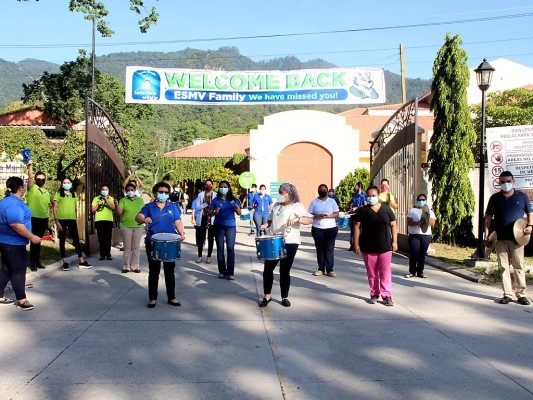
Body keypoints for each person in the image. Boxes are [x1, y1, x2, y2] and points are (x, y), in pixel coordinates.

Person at [258, 183, 313, 307]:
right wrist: (266, 225)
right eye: (279, 192)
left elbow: (309, 219)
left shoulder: (296, 206)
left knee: (284, 271)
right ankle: (267, 296)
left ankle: (284, 297)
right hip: (275, 240)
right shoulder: (277, 205)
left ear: (289, 193)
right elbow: (270, 220)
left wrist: (297, 219)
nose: (279, 194)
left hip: (290, 241)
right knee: (268, 269)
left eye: (282, 192)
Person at [484, 171, 533, 305]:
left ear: (513, 182)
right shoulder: (495, 198)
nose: (505, 184)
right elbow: (488, 218)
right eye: (502, 182)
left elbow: (530, 213)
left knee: (518, 265)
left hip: (518, 238)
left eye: (508, 181)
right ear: (499, 183)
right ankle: (507, 293)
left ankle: (521, 294)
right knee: (503, 266)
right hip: (500, 238)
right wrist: (486, 235)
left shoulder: (522, 196)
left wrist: (530, 226)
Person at [136, 182, 186, 308]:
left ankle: (172, 297)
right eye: (161, 192)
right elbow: (138, 217)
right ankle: (153, 298)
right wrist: (144, 219)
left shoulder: (173, 207)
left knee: (170, 271)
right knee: (154, 271)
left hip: (170, 242)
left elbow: (177, 221)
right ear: (155, 193)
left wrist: (182, 233)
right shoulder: (149, 207)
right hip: (153, 242)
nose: (163, 194)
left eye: (165, 192)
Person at [0, 177, 41, 310]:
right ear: (20, 188)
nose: (24, 189)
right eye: (23, 187)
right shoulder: (13, 204)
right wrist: (32, 237)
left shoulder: (6, 201)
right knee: (18, 270)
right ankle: (22, 301)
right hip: (13, 244)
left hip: (6, 242)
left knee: (7, 269)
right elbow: (16, 224)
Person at [354, 186, 398, 306]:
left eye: (373, 196)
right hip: (368, 247)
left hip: (385, 247)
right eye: (369, 196)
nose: (371, 198)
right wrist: (356, 243)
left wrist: (395, 242)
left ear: (378, 196)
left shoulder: (386, 209)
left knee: (385, 272)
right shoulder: (363, 211)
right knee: (372, 273)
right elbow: (357, 227)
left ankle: (387, 295)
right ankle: (374, 294)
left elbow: (393, 225)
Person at [53, 178, 91, 271]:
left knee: (76, 240)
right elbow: (54, 208)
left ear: (71, 184)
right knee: (62, 240)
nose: (66, 184)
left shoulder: (74, 195)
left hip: (72, 219)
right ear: (62, 184)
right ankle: (64, 262)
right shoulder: (58, 194)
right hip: (61, 220)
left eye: (68, 182)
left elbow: (74, 207)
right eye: (64, 182)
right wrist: (57, 221)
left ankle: (81, 261)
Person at [208, 181, 241, 280]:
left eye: (225, 187)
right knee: (220, 248)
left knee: (230, 249)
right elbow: (209, 213)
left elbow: (239, 213)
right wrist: (214, 211)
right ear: (218, 188)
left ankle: (230, 273)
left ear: (229, 188)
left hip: (231, 226)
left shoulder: (234, 199)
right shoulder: (216, 200)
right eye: (221, 187)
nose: (223, 188)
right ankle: (222, 271)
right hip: (219, 226)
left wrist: (237, 209)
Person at [309, 184, 340, 277]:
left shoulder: (332, 201)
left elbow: (337, 213)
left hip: (331, 228)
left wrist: (328, 216)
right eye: (321, 190)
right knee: (320, 249)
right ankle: (321, 269)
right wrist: (318, 216)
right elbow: (309, 214)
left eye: (324, 190)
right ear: (318, 191)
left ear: (327, 191)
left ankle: (330, 269)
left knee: (329, 249)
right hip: (317, 228)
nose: (323, 191)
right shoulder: (314, 202)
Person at [26, 159, 51, 271]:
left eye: (42, 179)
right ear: (36, 180)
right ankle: (33, 264)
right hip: (33, 218)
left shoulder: (47, 192)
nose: (40, 180)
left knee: (39, 241)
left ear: (45, 180)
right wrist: (30, 165)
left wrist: (48, 220)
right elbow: (30, 177)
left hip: (43, 219)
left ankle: (38, 262)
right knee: (34, 241)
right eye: (38, 179)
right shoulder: (32, 189)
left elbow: (47, 207)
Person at [116, 183, 145, 273]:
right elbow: (119, 212)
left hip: (138, 226)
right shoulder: (123, 200)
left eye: (131, 190)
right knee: (127, 247)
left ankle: (135, 266)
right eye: (128, 190)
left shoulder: (140, 200)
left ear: (135, 190)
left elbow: (144, 212)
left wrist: (146, 223)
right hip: (125, 226)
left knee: (136, 247)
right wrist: (117, 205)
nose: (130, 192)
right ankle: (126, 266)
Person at [405, 194, 436, 278]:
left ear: (425, 201)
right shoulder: (413, 210)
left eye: (423, 200)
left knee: (422, 254)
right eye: (419, 199)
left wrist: (425, 221)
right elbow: (409, 222)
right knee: (414, 253)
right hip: (414, 235)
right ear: (417, 200)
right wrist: (417, 223)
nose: (421, 201)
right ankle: (412, 271)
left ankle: (420, 272)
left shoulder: (430, 211)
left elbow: (433, 222)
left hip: (425, 236)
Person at [91, 184, 116, 261]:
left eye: (106, 189)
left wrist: (108, 202)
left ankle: (108, 254)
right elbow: (92, 209)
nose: (104, 191)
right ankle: (102, 254)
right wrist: (98, 204)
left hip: (108, 220)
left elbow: (114, 207)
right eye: (103, 189)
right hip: (99, 220)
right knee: (101, 238)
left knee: (108, 238)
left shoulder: (111, 198)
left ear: (108, 191)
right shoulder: (96, 198)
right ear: (100, 190)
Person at [194, 179, 216, 264]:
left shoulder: (216, 195)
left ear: (212, 185)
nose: (208, 185)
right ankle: (199, 256)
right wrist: (205, 204)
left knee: (211, 238)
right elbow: (198, 207)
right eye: (207, 184)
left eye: (210, 184)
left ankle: (209, 256)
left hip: (212, 218)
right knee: (201, 238)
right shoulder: (200, 195)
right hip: (203, 217)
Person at [349, 181, 367, 251]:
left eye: (356, 186)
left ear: (359, 187)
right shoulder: (354, 195)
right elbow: (352, 201)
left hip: (361, 214)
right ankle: (352, 244)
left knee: (360, 229)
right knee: (352, 229)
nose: (354, 187)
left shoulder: (363, 195)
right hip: (353, 214)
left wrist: (357, 208)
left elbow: (365, 204)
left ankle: (360, 244)